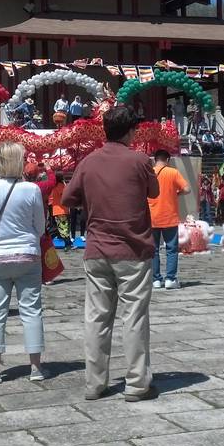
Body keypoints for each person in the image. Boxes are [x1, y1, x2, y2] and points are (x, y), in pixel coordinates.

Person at [62, 105, 160, 402]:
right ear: (131, 131)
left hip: (97, 249)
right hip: (133, 250)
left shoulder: (89, 162)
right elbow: (153, 193)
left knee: (97, 318)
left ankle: (95, 383)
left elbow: (68, 198)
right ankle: (136, 384)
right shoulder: (140, 161)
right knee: (134, 318)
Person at [0, 142, 47, 383]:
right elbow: (40, 227)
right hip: (27, 254)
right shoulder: (32, 190)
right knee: (32, 310)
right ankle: (35, 367)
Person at [148, 150, 190, 290]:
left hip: (152, 216)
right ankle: (170, 279)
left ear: (154, 160)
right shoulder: (173, 172)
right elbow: (187, 189)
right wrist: (176, 193)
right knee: (171, 249)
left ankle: (156, 279)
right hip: (169, 216)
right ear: (168, 159)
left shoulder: (149, 173)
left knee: (153, 250)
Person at [49, 176, 73, 251]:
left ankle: (67, 244)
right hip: (61, 209)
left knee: (61, 228)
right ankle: (68, 243)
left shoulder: (57, 186)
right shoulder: (60, 185)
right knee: (63, 228)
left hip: (59, 209)